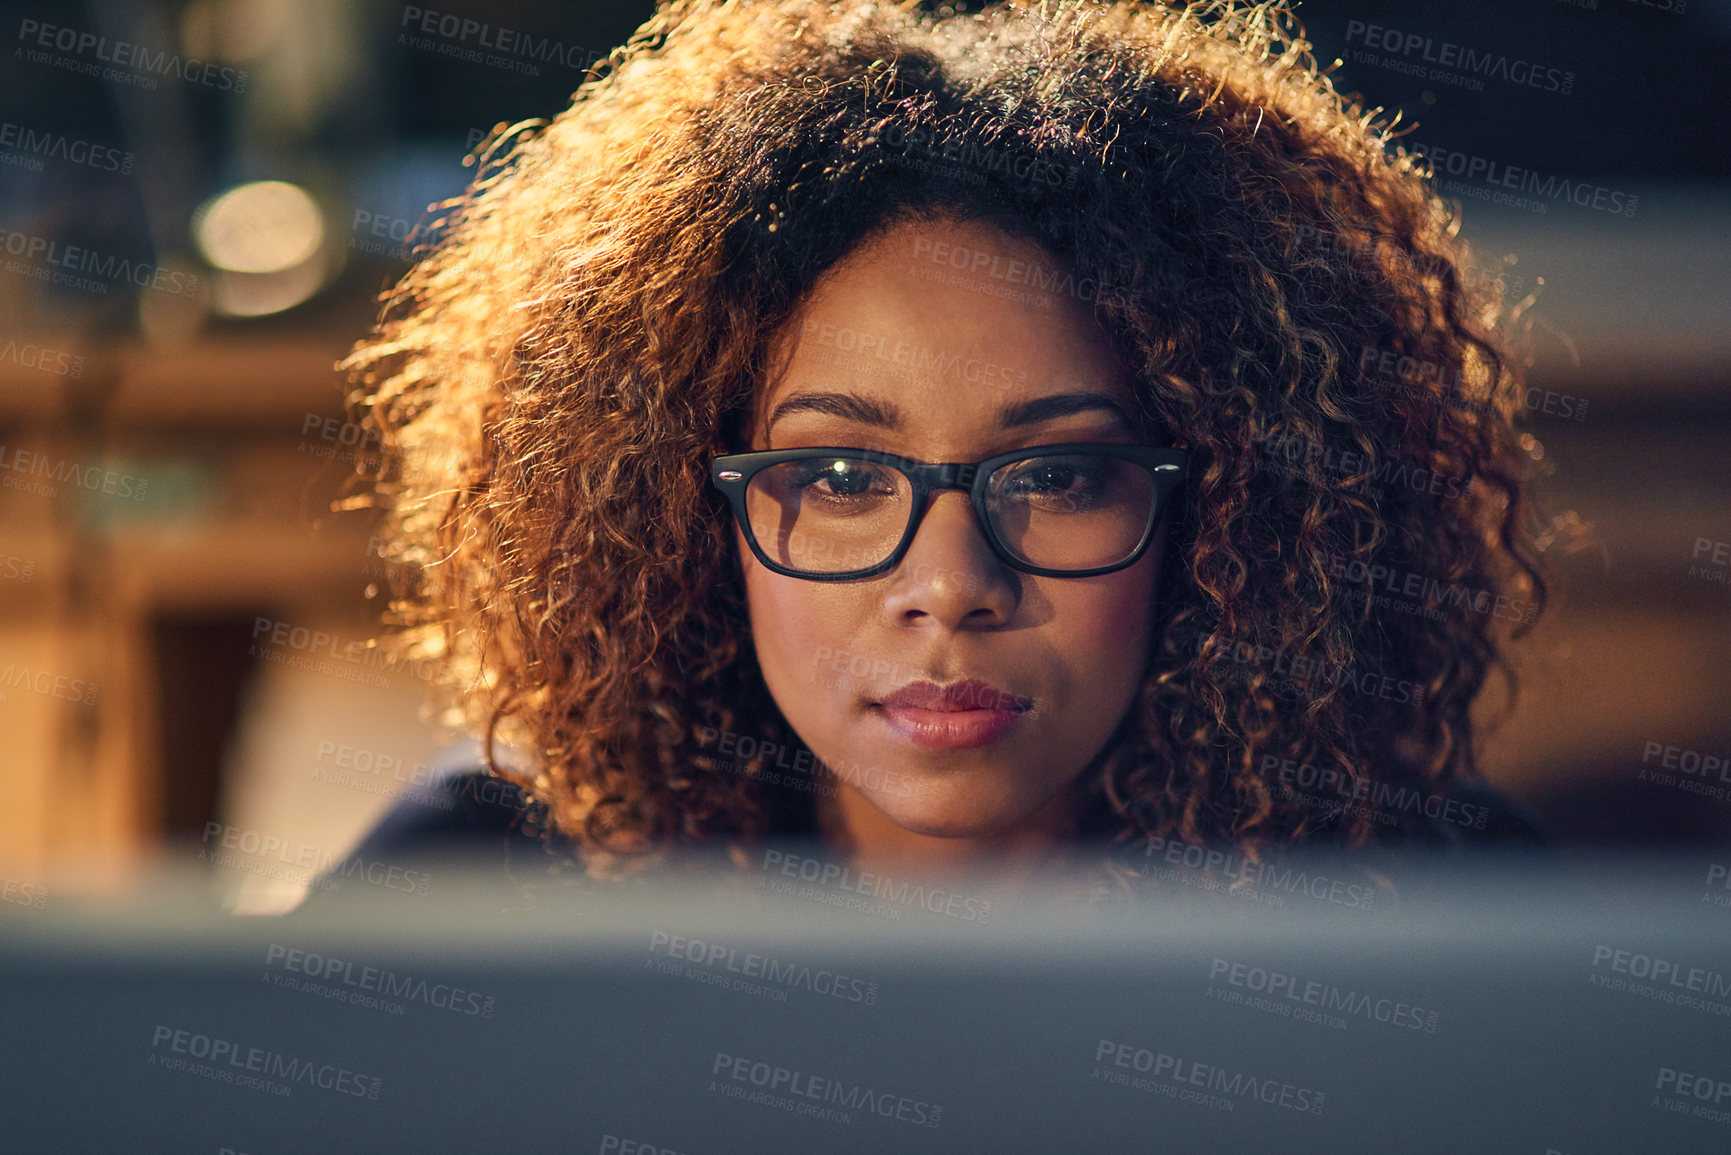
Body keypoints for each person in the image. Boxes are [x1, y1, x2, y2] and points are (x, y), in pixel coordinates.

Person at [332, 0, 1556, 908]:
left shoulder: (1439, 908)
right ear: (682, 517)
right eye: (843, 478)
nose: (952, 585)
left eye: (1061, 476)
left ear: (1230, 514)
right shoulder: (467, 895)